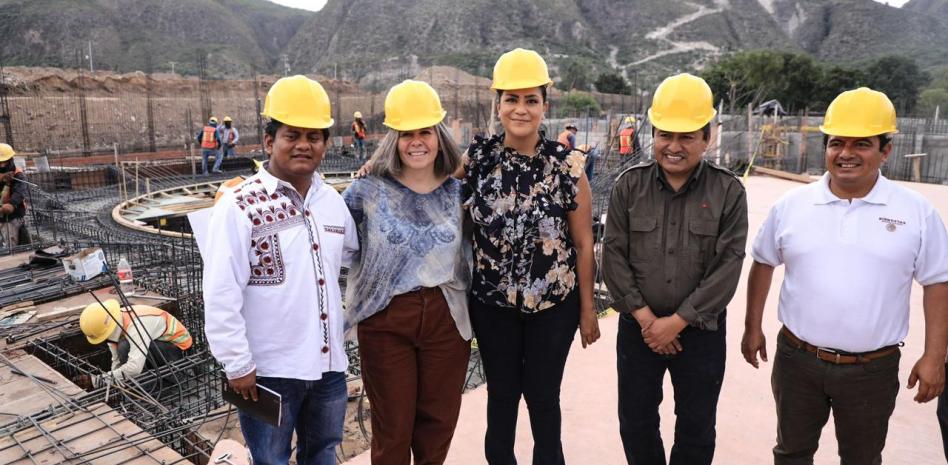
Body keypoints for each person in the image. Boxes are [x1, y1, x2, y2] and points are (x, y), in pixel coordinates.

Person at [742, 87, 948, 465]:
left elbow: (938, 283)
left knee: (862, 459)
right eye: (837, 143)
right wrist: (752, 327)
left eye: (862, 144)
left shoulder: (916, 213)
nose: (846, 154)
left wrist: (935, 355)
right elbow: (763, 262)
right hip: (797, 361)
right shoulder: (792, 206)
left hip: (871, 369)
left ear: (885, 151)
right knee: (791, 453)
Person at [203, 75, 359, 465]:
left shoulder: (331, 203)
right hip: (266, 375)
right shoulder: (239, 206)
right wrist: (237, 364)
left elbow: (353, 256)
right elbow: (221, 290)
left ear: (325, 143)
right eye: (292, 135)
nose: (304, 144)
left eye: (314, 136)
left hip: (328, 367)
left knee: (322, 452)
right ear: (270, 141)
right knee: (269, 459)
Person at [462, 48, 600, 465]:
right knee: (501, 397)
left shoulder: (567, 167)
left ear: (544, 106)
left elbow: (582, 244)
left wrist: (588, 309)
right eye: (512, 99)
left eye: (531, 100)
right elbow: (423, 177)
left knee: (543, 398)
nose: (521, 109)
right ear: (498, 104)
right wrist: (372, 171)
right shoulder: (477, 160)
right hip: (492, 305)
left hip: (553, 307)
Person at [602, 73, 748, 465]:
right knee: (635, 422)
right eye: (665, 134)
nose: (674, 146)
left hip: (700, 334)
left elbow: (727, 267)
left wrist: (678, 322)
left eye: (686, 136)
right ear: (653, 134)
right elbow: (613, 256)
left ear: (708, 136)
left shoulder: (728, 192)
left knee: (697, 428)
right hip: (638, 331)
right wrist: (649, 321)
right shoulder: (628, 187)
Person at [343, 79, 470, 465]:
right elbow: (334, 252)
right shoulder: (365, 193)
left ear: (439, 136)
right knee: (393, 430)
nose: (417, 142)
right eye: (407, 133)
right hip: (385, 320)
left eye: (425, 132)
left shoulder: (459, 193)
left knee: (437, 426)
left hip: (446, 320)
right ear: (393, 139)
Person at [75, 299, 192, 389]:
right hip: (157, 346)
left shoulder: (136, 325)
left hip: (178, 353)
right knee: (123, 348)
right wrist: (108, 384)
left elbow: (134, 367)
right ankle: (147, 383)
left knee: (124, 347)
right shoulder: (114, 323)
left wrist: (97, 380)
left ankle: (153, 389)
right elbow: (116, 362)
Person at [0, 143, 28, 247]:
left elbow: (20, 192)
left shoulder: (18, 175)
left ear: (10, 160)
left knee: (11, 242)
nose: (2, 165)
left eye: (4, 162)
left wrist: (12, 204)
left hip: (13, 216)